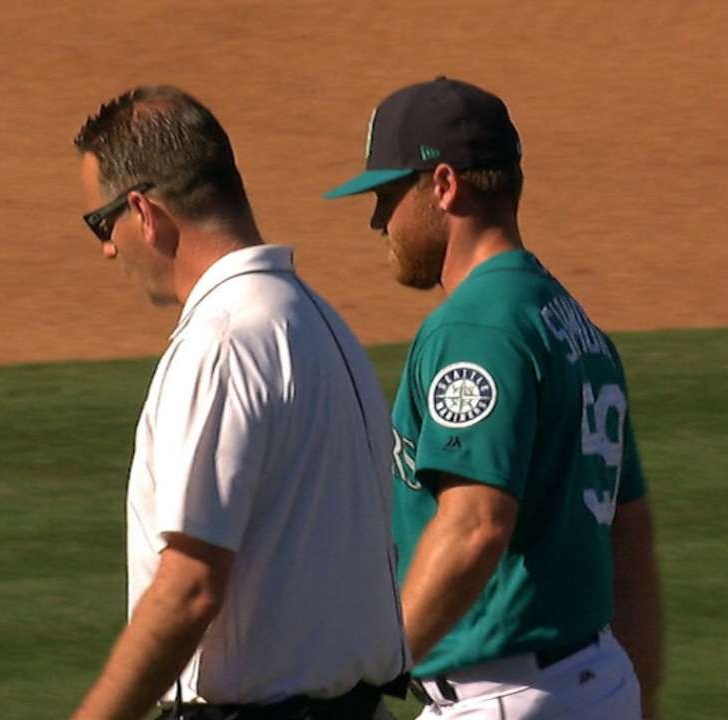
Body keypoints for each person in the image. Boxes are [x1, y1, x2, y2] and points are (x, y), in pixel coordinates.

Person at [323, 77, 665, 719]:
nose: (376, 220)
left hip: (504, 699)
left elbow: (475, 526)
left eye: (387, 196)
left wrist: (365, 676)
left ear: (444, 185)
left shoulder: (475, 327)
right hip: (598, 683)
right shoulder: (571, 321)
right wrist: (643, 701)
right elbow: (630, 536)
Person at [71, 85, 408, 720]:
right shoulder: (317, 320)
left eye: (102, 223)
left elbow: (190, 586)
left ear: (145, 212)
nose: (106, 248)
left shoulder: (223, 341)